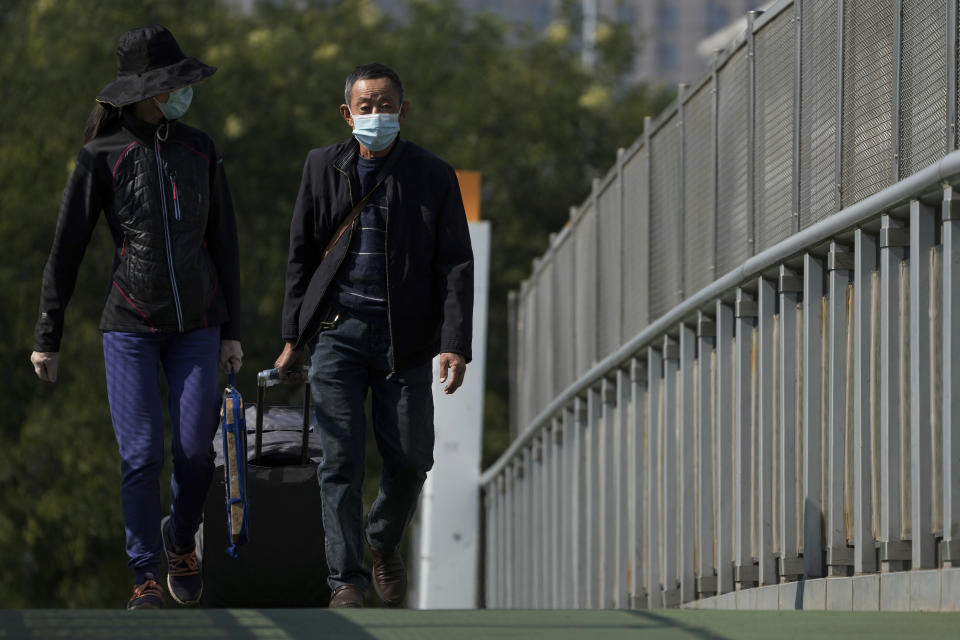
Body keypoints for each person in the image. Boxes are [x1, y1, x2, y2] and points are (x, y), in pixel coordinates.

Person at [29, 25, 242, 610]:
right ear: (149, 91)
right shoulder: (100, 155)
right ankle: (145, 575)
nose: (184, 92)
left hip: (199, 324)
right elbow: (65, 249)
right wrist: (48, 335)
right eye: (175, 84)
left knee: (198, 450)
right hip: (129, 327)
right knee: (143, 454)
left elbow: (225, 242)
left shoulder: (199, 148)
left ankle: (179, 539)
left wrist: (233, 332)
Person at [275, 62, 474, 608]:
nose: (376, 115)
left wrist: (454, 341)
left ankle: (382, 538)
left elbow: (456, 264)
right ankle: (346, 580)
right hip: (337, 335)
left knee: (411, 458)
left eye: (386, 105)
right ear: (347, 113)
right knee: (339, 460)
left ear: (404, 111)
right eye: (366, 106)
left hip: (403, 339)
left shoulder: (433, 175)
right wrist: (294, 336)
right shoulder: (323, 167)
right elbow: (301, 255)